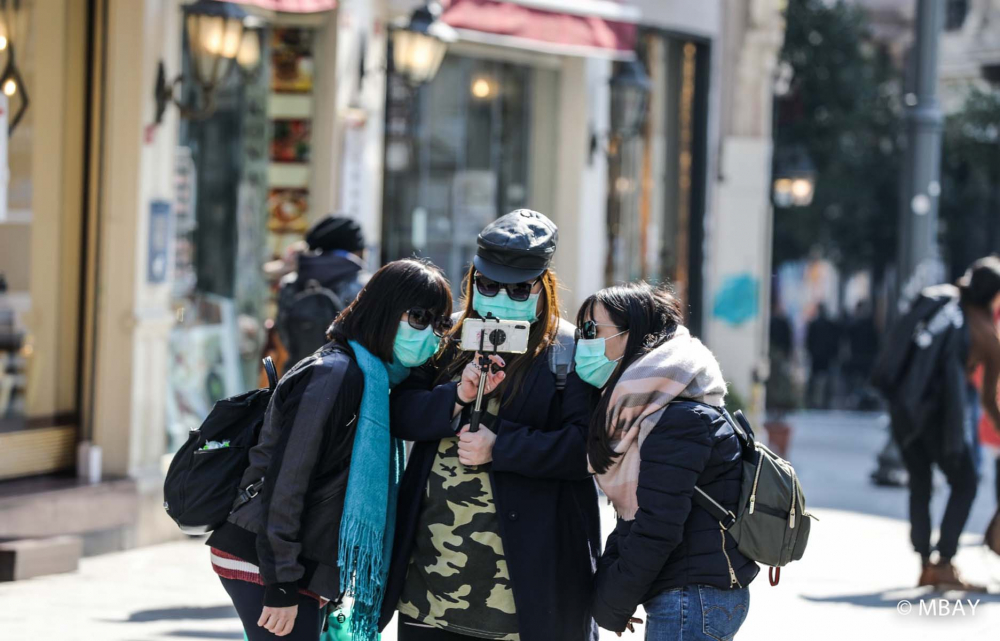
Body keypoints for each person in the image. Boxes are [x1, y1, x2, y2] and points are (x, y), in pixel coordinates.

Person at [378, 209, 601, 641]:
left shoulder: (567, 351)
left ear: (543, 287)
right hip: (430, 583)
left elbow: (586, 448)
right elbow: (400, 413)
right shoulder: (447, 338)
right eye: (488, 285)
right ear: (472, 280)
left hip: (524, 589)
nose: (501, 297)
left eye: (519, 289)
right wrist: (455, 396)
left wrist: (501, 447)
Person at [207, 258, 454, 640]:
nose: (431, 333)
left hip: (298, 560)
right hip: (264, 558)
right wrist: (282, 583)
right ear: (385, 309)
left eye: (440, 324)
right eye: (419, 317)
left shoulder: (376, 379)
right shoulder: (335, 375)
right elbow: (287, 479)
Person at [579, 282, 758, 640]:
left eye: (592, 331)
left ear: (633, 334)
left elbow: (658, 527)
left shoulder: (679, 418)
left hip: (692, 599)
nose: (584, 343)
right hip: (692, 594)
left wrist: (611, 600)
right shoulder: (660, 408)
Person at [873, 256, 1000, 590]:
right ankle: (944, 562)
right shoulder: (987, 334)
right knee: (967, 482)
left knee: (921, 483)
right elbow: (988, 400)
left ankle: (924, 562)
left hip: (905, 409)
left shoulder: (940, 301)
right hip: (941, 419)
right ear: (994, 296)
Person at [277, 215, 372, 372]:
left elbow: (285, 337)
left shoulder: (290, 283)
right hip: (349, 378)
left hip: (296, 377)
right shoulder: (364, 285)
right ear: (357, 249)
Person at [805, 303, 841, 409]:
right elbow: (835, 341)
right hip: (826, 356)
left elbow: (809, 341)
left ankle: (812, 401)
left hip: (817, 355)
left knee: (815, 380)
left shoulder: (814, 324)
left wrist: (810, 352)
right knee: (827, 379)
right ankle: (825, 401)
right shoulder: (831, 325)